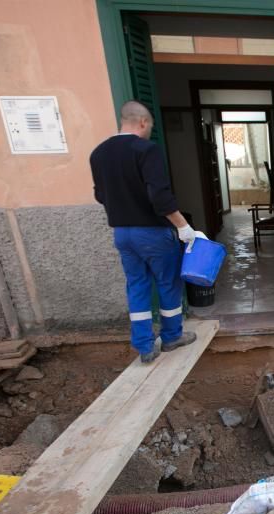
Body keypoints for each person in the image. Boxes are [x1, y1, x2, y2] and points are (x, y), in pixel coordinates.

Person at [90, 101, 202, 363]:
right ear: (142, 122)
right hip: (152, 232)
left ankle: (144, 346)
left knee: (137, 284)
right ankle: (172, 337)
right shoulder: (146, 150)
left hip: (122, 234)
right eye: (150, 125)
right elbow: (160, 197)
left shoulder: (98, 153)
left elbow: (100, 195)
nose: (150, 129)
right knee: (168, 282)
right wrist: (183, 226)